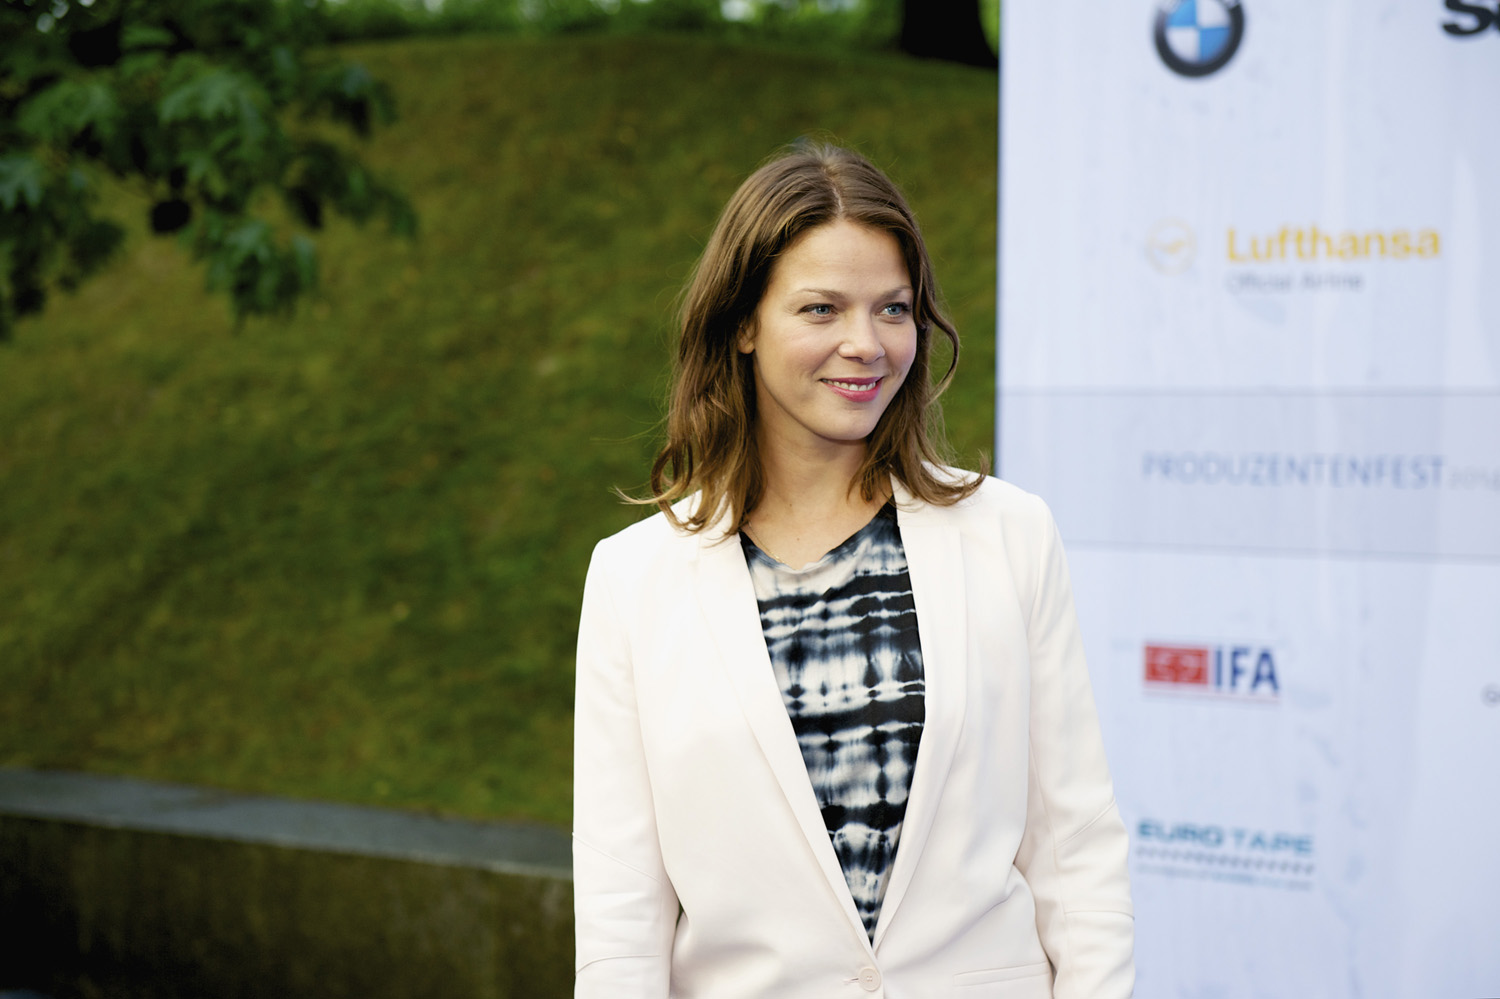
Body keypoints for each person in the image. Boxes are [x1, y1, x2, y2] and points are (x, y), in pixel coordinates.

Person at [572, 142, 1134, 999]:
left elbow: (1076, 847)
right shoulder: (634, 578)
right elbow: (621, 906)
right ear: (743, 324)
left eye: (893, 309)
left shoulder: (1012, 534)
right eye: (821, 308)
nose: (865, 344)